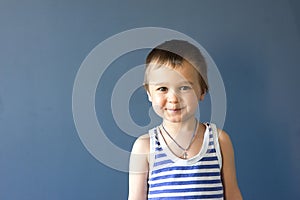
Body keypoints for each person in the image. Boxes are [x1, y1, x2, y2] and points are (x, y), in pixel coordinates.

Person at [128, 40, 242, 200]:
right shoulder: (145, 147)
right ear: (149, 92)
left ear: (202, 91)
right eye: (162, 89)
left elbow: (233, 195)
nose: (173, 98)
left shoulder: (219, 141)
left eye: (184, 87)